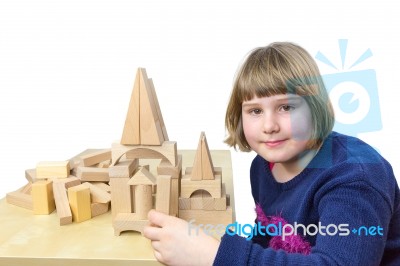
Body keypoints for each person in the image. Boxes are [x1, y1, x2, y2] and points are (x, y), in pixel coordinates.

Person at [144, 42, 400, 265]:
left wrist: (212, 255)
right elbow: (268, 236)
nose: (269, 126)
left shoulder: (355, 178)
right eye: (255, 111)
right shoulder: (263, 165)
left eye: (286, 107)